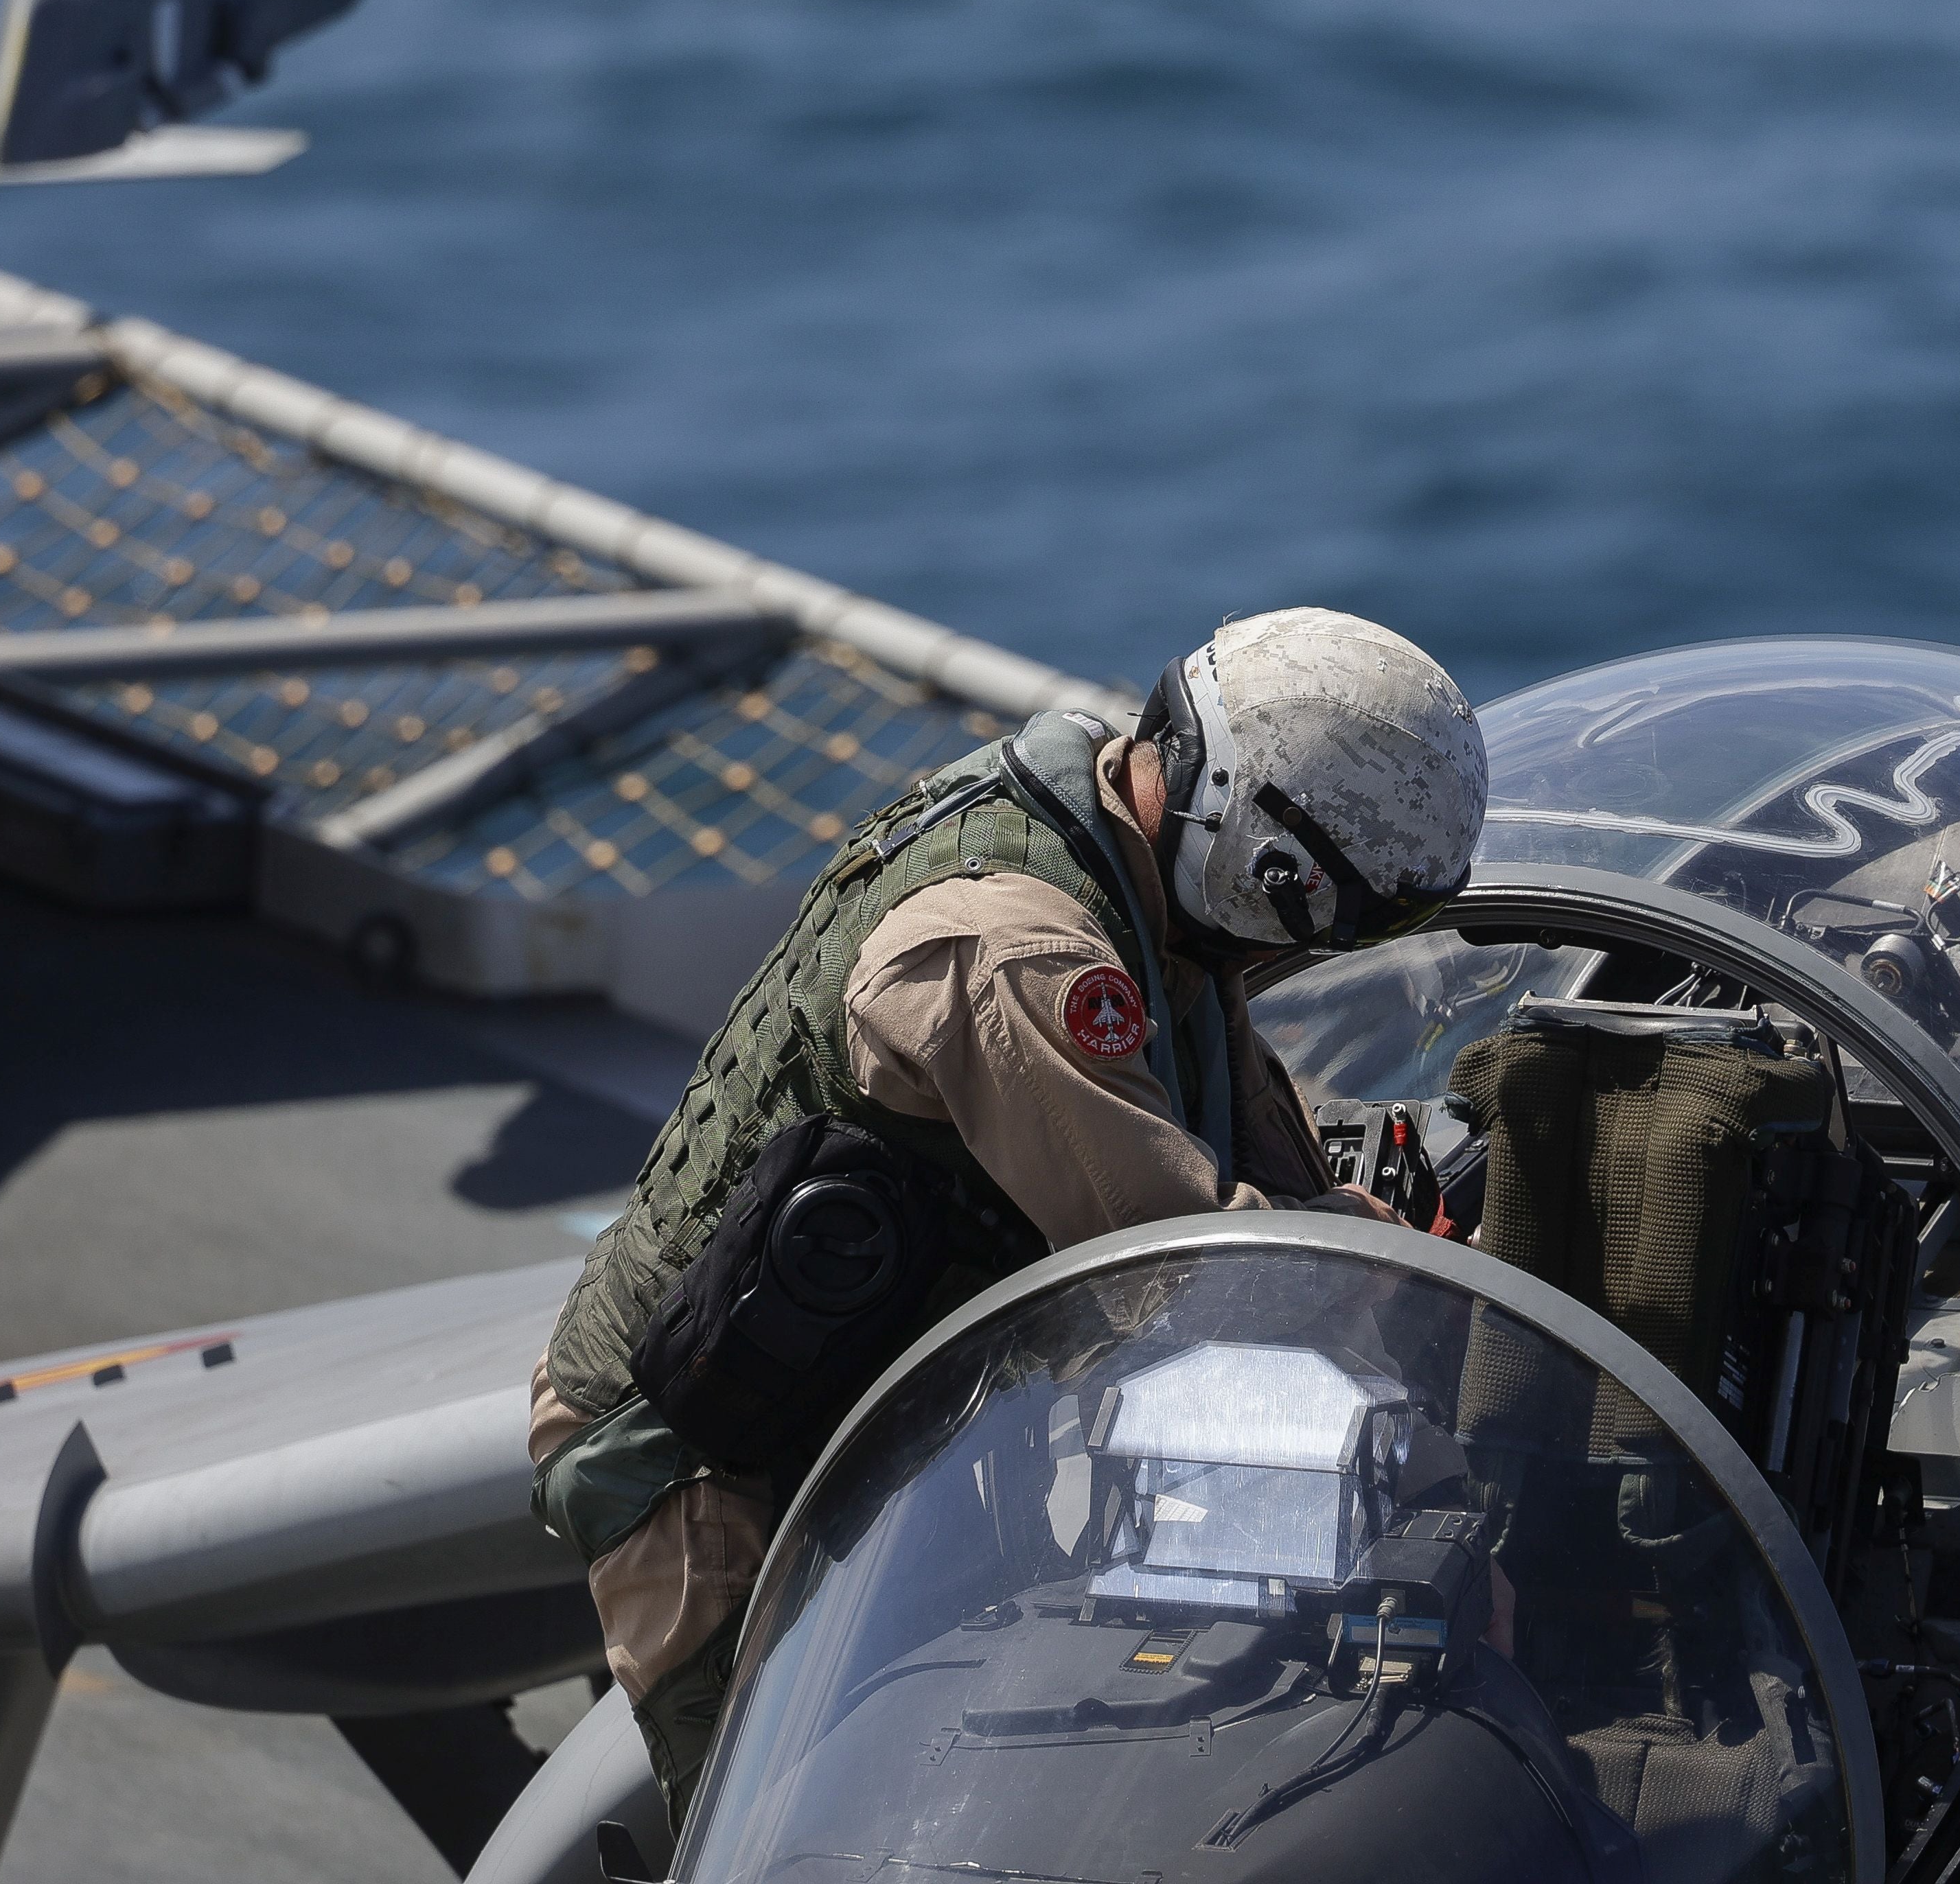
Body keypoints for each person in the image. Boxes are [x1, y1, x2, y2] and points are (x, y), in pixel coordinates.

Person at [524, 606, 1490, 1817]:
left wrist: (1385, 1237)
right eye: (1339, 914)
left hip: (869, 1401)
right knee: (807, 1813)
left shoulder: (1131, 872)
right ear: (1266, 855)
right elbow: (1172, 1264)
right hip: (708, 1448)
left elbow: (1250, 1141)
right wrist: (1410, 1297)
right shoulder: (1022, 949)